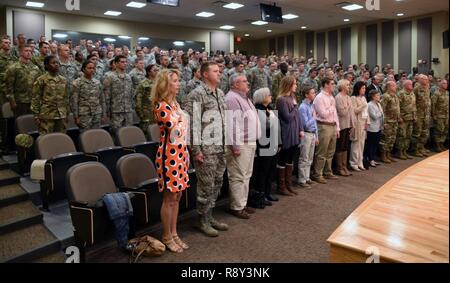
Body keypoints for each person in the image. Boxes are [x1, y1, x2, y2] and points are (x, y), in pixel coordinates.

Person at [183, 62, 228, 237]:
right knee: (206, 186)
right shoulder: (196, 94)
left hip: (220, 146)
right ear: (205, 74)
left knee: (217, 183)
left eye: (220, 70)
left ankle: (210, 216)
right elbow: (192, 125)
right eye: (216, 71)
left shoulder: (220, 93)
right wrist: (196, 150)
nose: (220, 73)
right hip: (206, 149)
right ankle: (202, 220)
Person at [153, 68, 190, 253]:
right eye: (175, 80)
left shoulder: (174, 104)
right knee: (169, 198)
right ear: (166, 84)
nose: (178, 83)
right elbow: (176, 131)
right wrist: (184, 121)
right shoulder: (161, 106)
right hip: (169, 155)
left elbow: (184, 129)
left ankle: (174, 233)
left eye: (178, 80)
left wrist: (183, 122)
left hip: (181, 153)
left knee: (178, 196)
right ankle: (166, 236)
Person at [225, 74, 261, 219]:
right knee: (238, 176)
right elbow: (232, 124)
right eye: (244, 81)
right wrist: (235, 145)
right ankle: (236, 206)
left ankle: (242, 203)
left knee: (246, 175)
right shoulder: (232, 98)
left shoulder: (244, 97)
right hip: (241, 144)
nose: (248, 83)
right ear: (235, 84)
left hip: (250, 142)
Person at [276, 76, 304, 196]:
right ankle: (281, 187)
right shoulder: (281, 99)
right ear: (288, 85)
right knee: (283, 158)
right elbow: (287, 117)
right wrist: (295, 107)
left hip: (294, 131)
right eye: (294, 84)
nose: (296, 85)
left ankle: (289, 184)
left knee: (290, 159)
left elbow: (297, 117)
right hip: (287, 133)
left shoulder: (292, 97)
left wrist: (301, 129)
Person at [252, 87, 280, 203]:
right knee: (263, 171)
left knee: (271, 170)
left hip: (273, 143)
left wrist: (279, 142)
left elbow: (277, 126)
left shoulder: (269, 108)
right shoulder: (257, 110)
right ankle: (261, 194)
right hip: (264, 144)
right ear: (263, 97)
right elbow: (265, 127)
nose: (271, 97)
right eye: (269, 95)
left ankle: (268, 193)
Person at [311, 78, 340, 184]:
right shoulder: (319, 97)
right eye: (332, 84)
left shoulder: (331, 97)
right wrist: (331, 107)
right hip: (323, 126)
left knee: (331, 151)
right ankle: (317, 174)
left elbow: (335, 114)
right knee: (321, 152)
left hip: (332, 125)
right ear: (326, 85)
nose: (334, 86)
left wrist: (337, 128)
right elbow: (323, 114)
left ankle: (327, 171)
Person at [31, 55, 69, 135]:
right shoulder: (41, 80)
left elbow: (66, 98)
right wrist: (36, 115)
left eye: (57, 63)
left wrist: (67, 113)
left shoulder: (63, 80)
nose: (56, 64)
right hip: (47, 115)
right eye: (53, 63)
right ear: (47, 65)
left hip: (61, 115)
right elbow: (36, 98)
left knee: (61, 138)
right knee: (46, 139)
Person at [5, 45, 41, 118]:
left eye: (30, 51)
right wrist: (12, 101)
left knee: (32, 123)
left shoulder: (35, 68)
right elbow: (9, 86)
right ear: (20, 53)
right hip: (20, 101)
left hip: (33, 100)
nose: (29, 53)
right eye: (26, 51)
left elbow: (38, 86)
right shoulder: (13, 67)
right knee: (20, 123)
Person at [71, 61, 106, 131]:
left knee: (96, 134)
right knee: (85, 136)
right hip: (84, 114)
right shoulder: (77, 82)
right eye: (89, 68)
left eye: (93, 68)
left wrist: (103, 114)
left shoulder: (97, 82)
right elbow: (74, 101)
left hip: (97, 113)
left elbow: (102, 99)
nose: (92, 70)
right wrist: (76, 117)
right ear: (83, 69)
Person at [103, 55, 134, 133]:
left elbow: (131, 94)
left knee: (129, 132)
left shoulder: (128, 77)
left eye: (125, 62)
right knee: (116, 133)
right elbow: (106, 95)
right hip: (116, 111)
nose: (125, 64)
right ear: (116, 63)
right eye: (122, 62)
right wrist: (107, 110)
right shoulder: (110, 77)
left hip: (127, 110)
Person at [297, 85, 318, 188]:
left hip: (312, 134)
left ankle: (307, 177)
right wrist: (314, 117)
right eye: (312, 93)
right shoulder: (302, 107)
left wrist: (316, 136)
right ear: (306, 95)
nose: (314, 94)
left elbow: (315, 124)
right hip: (305, 134)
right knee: (304, 157)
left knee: (310, 158)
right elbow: (305, 124)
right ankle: (301, 179)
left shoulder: (311, 105)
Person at [334, 79, 355, 176]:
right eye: (347, 85)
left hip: (347, 125)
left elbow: (351, 113)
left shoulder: (348, 97)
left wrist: (352, 125)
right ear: (342, 86)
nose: (349, 86)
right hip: (341, 126)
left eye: (349, 85)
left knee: (346, 146)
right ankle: (339, 168)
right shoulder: (338, 97)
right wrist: (347, 106)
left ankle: (344, 166)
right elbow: (342, 113)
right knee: (340, 146)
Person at [349, 81, 370, 171]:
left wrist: (367, 122)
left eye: (365, 88)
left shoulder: (364, 98)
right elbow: (354, 111)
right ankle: (353, 163)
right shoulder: (353, 98)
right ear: (358, 89)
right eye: (362, 88)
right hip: (357, 123)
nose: (364, 90)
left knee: (362, 144)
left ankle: (360, 162)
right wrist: (362, 105)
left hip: (363, 122)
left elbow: (367, 112)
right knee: (356, 144)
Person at [379, 81, 401, 163]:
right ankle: (383, 155)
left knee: (392, 139)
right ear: (389, 87)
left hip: (394, 121)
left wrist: (399, 117)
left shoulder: (395, 96)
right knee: (386, 139)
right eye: (394, 86)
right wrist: (384, 122)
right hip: (388, 121)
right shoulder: (385, 96)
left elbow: (397, 108)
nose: (396, 87)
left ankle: (389, 154)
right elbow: (382, 110)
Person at [395, 80, 416, 159]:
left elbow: (414, 106)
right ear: (405, 85)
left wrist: (414, 116)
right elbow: (397, 106)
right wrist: (399, 117)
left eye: (411, 84)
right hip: (403, 118)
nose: (411, 85)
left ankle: (405, 151)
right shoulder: (401, 94)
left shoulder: (412, 93)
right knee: (402, 135)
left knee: (408, 135)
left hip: (410, 117)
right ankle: (399, 152)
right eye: (410, 84)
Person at [135, 64, 158, 135]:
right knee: (148, 133)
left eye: (157, 70)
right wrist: (141, 114)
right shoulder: (143, 83)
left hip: (157, 112)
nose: (157, 72)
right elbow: (138, 99)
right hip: (147, 113)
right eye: (154, 70)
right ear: (149, 72)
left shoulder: (159, 82)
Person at [365, 90, 384, 167]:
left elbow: (381, 114)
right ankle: (369, 159)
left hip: (378, 127)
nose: (379, 97)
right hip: (372, 128)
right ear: (373, 96)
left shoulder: (378, 104)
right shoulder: (369, 105)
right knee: (371, 144)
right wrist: (380, 112)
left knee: (376, 144)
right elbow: (374, 116)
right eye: (378, 95)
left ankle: (372, 158)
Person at [431, 79, 449, 152]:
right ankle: (437, 145)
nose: (446, 85)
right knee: (439, 131)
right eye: (444, 83)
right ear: (440, 85)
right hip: (439, 115)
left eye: (446, 83)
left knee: (445, 130)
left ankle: (442, 144)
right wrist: (433, 114)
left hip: (446, 115)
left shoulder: (447, 93)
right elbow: (433, 105)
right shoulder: (436, 94)